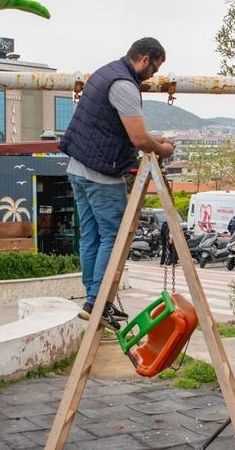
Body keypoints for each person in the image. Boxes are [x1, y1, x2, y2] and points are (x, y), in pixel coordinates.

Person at [59, 37, 176, 332]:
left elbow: (120, 127)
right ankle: (97, 302)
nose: (153, 76)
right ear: (145, 58)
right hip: (101, 173)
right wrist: (162, 149)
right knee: (114, 238)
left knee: (91, 236)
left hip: (78, 168)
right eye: (155, 68)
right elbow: (138, 138)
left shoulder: (104, 72)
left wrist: (153, 138)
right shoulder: (124, 85)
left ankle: (93, 301)